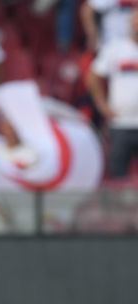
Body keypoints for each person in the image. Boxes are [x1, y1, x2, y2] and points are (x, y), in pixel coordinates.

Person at [87, 7, 138, 179]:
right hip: (121, 123)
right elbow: (94, 76)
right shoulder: (115, 48)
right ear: (131, 23)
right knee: (118, 178)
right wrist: (101, 104)